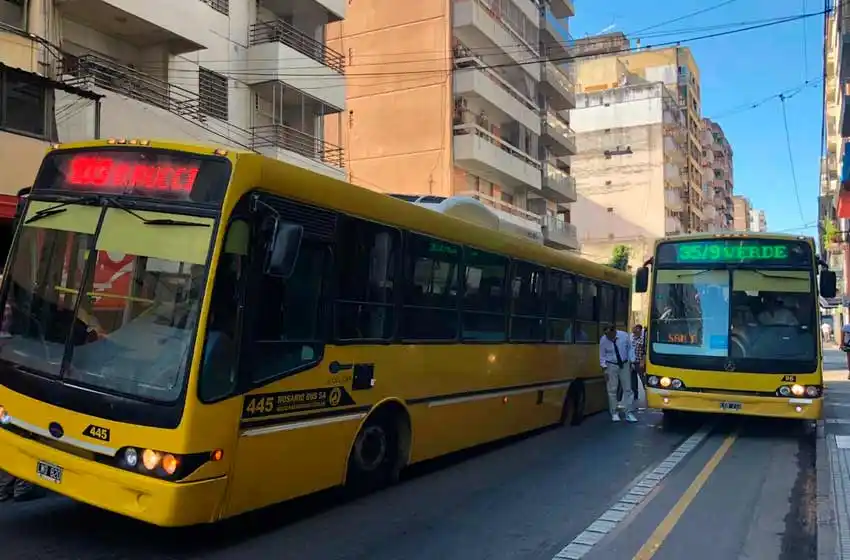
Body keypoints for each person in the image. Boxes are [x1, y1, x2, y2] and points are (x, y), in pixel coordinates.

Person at [599, 324, 637, 423]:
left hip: (624, 364)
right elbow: (602, 355)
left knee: (628, 389)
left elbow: (630, 349)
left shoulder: (624, 336)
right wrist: (604, 369)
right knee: (612, 389)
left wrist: (632, 361)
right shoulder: (603, 340)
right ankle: (614, 413)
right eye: (606, 334)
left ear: (614, 331)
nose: (608, 337)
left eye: (610, 334)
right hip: (611, 365)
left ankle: (628, 412)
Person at [630, 324, 646, 402]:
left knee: (643, 379)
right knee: (633, 380)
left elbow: (644, 352)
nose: (633, 330)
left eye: (635, 329)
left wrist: (642, 362)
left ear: (639, 330)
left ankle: (647, 394)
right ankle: (635, 395)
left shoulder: (642, 340)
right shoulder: (632, 338)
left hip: (639, 362)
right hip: (632, 362)